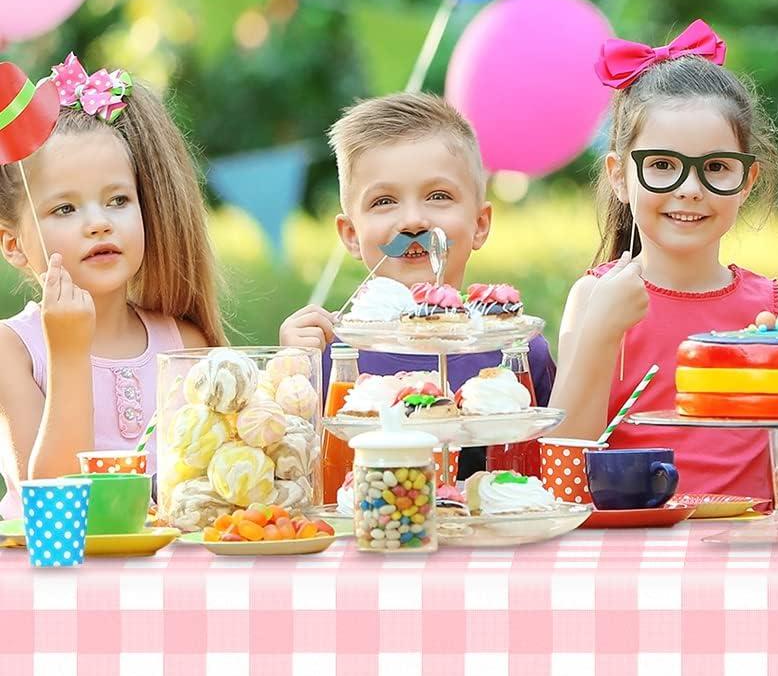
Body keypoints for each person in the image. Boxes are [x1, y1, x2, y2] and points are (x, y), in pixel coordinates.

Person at [551, 20, 778, 500]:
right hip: (629, 552)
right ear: (619, 176)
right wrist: (601, 331)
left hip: (745, 553)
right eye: (662, 165)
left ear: (747, 180)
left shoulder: (774, 313)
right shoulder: (595, 297)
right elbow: (561, 474)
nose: (689, 189)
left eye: (717, 168)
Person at [278, 92, 556, 478]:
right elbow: (285, 473)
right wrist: (291, 373)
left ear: (480, 224)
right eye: (384, 201)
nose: (412, 221)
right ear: (351, 235)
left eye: (438, 196)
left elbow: (550, 469)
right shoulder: (329, 355)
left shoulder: (515, 352)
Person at [0, 56, 224, 510]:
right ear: (13, 244)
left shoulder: (184, 342)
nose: (99, 223)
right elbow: (54, 503)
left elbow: (226, 480)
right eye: (65, 209)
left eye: (118, 200)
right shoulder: (13, 350)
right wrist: (67, 353)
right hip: (56, 577)